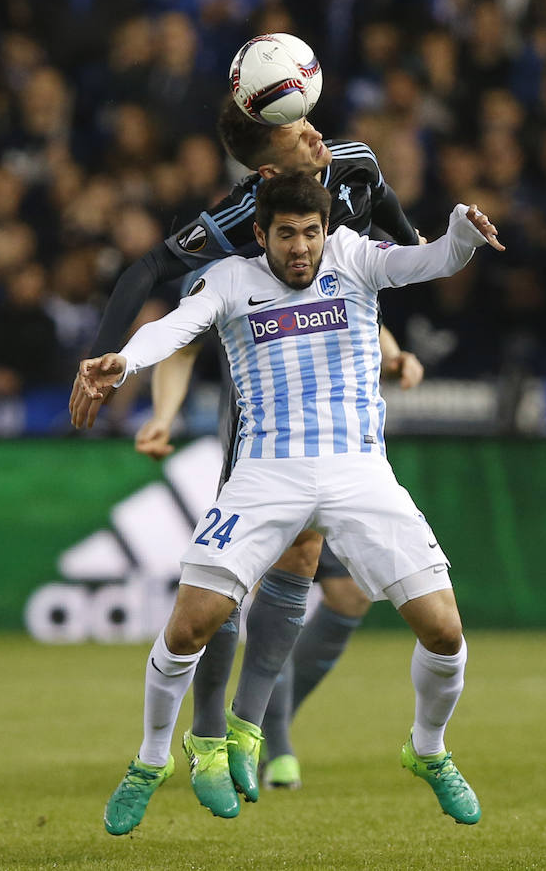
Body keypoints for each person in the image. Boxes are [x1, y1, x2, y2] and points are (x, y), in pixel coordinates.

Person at [78, 171, 504, 835]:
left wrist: (459, 234)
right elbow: (175, 328)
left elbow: (429, 260)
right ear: (260, 234)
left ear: (325, 229)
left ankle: (427, 750)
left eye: (310, 232)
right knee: (189, 625)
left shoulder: (353, 258)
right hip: (265, 473)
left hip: (358, 473)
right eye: (286, 235)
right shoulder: (227, 281)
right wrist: (124, 360)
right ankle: (152, 758)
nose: (301, 248)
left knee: (445, 632)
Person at [70, 96, 425, 803]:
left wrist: (395, 319)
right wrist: (121, 374)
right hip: (265, 408)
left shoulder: (351, 164)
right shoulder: (240, 222)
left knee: (336, 583)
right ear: (267, 170)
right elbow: (177, 316)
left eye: (308, 116)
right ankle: (208, 738)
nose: (317, 132)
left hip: (341, 407)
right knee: (232, 585)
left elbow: (382, 226)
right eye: (298, 128)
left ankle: (261, 727)